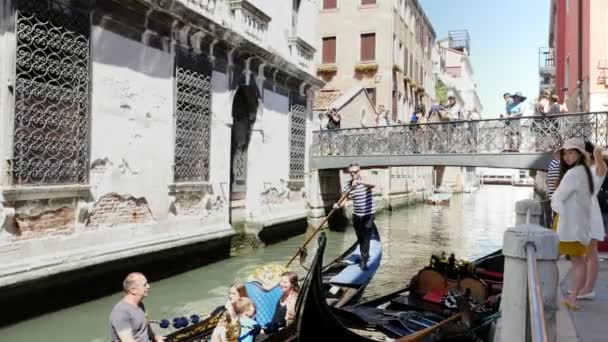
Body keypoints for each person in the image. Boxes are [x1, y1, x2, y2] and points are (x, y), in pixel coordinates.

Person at [551, 137, 595, 310]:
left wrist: (555, 197)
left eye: (571, 153)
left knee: (551, 257)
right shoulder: (585, 172)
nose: (567, 157)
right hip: (578, 224)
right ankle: (573, 297)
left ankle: (560, 296)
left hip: (568, 223)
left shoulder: (573, 173)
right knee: (578, 260)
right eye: (565, 153)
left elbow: (558, 197)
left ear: (580, 154)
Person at [576, 142, 607, 300]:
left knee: (591, 252)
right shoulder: (586, 169)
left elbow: (601, 163)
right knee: (585, 252)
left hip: (590, 211)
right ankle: (583, 287)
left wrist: (597, 154)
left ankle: (588, 288)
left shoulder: (599, 167)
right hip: (583, 211)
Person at [334, 163, 377, 270]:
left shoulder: (365, 180)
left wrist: (359, 182)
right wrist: (338, 205)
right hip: (357, 215)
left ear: (359, 171)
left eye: (355, 172)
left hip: (369, 214)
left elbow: (373, 185)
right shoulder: (348, 185)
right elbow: (345, 198)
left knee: (366, 237)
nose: (353, 174)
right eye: (351, 172)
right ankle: (363, 252)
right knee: (360, 237)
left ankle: (364, 260)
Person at [109, 272, 164, 342]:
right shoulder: (120, 312)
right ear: (133, 290)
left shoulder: (140, 304)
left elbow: (145, 327)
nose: (148, 286)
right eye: (145, 285)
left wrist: (155, 337)